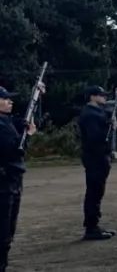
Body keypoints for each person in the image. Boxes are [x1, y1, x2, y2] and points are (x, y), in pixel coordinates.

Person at [0, 84, 43, 272]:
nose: (10, 101)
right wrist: (28, 137)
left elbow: (30, 119)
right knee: (2, 232)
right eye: (5, 98)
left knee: (8, 231)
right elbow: (13, 150)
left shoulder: (7, 121)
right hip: (4, 182)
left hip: (12, 180)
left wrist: (37, 96)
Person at [77, 86, 117, 241]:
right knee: (94, 192)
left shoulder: (99, 112)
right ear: (92, 97)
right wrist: (109, 126)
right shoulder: (89, 115)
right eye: (101, 95)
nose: (105, 97)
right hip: (94, 157)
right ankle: (91, 228)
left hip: (101, 156)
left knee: (97, 191)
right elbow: (95, 137)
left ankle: (94, 225)